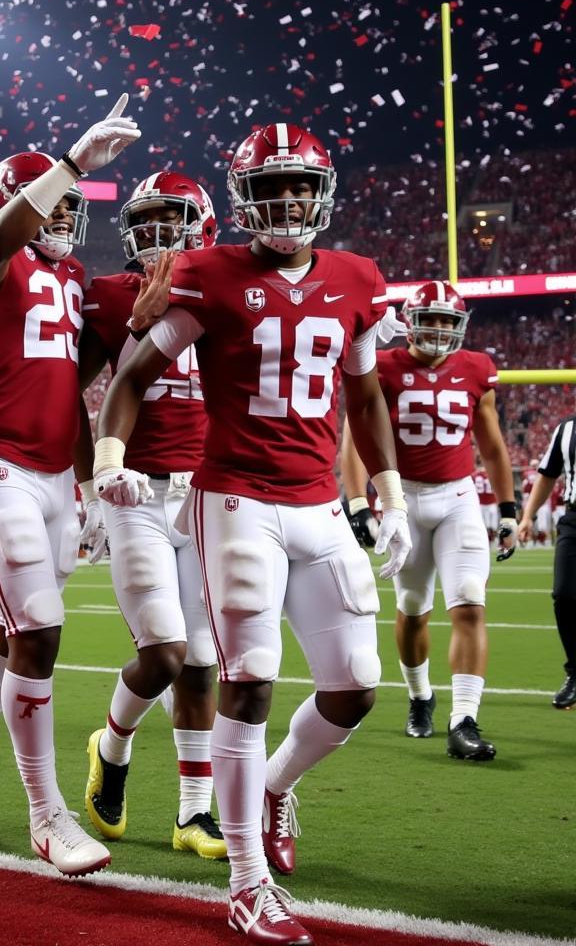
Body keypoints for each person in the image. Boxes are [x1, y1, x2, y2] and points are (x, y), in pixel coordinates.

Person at [93, 123, 410, 946]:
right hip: (233, 498)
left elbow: (366, 394)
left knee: (355, 688)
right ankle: (245, 882)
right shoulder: (207, 273)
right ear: (245, 200)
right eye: (273, 190)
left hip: (318, 503)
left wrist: (390, 494)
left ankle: (272, 786)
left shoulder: (358, 278)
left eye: (301, 187)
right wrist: (108, 458)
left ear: (323, 192)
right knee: (252, 680)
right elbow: (132, 376)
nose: (290, 202)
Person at [0, 94, 140, 878]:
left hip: (51, 476)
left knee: (14, 634)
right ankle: (49, 816)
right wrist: (67, 164)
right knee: (39, 631)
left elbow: (70, 391)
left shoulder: (73, 276)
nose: (66, 214)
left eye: (75, 204)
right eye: (55, 201)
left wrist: (90, 484)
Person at [75, 171, 226, 859]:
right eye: (150, 221)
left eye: (174, 220)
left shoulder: (232, 287)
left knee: (201, 662)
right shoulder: (109, 296)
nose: (159, 234)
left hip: (210, 492)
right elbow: (67, 394)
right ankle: (112, 745)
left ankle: (195, 812)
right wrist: (89, 484)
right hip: (134, 486)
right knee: (162, 652)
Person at [341, 280, 517, 761]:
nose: (438, 329)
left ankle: (464, 720)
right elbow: (356, 437)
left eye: (447, 320)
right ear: (410, 322)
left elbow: (493, 445)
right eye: (430, 319)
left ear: (459, 325)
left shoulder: (477, 368)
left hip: (459, 498)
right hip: (404, 501)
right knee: (413, 608)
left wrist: (507, 509)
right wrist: (358, 502)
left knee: (469, 604)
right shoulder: (387, 366)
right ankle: (421, 696)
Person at [517, 413, 576, 709]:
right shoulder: (566, 430)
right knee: (564, 594)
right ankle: (575, 672)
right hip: (574, 518)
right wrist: (527, 516)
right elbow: (548, 474)